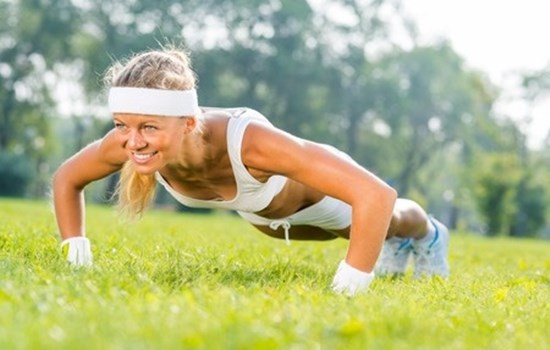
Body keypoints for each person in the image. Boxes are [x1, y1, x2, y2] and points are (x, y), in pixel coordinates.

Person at [52, 47, 450, 296]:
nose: (133, 141)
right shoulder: (126, 140)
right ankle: (393, 244)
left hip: (319, 198)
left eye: (149, 128)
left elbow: (376, 195)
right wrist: (76, 252)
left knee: (386, 220)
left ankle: (429, 235)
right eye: (123, 123)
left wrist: (351, 285)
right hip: (267, 218)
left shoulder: (252, 142)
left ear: (188, 123)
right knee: (341, 233)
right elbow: (66, 179)